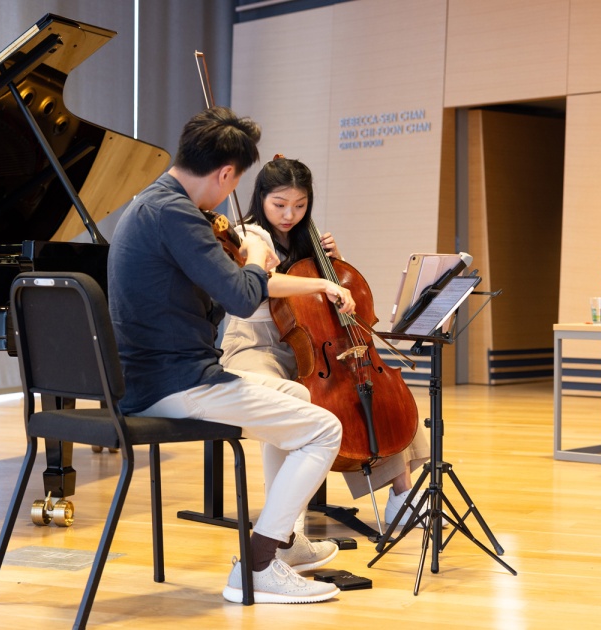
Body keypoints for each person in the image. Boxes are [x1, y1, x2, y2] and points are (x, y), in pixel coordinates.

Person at [107, 108, 352, 604]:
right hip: (175, 383)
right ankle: (257, 564)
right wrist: (256, 259)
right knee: (325, 430)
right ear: (225, 174)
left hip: (155, 376)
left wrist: (286, 276)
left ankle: (285, 540)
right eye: (235, 180)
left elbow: (227, 291)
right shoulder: (177, 215)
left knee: (297, 395)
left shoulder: (151, 204)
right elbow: (242, 297)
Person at [218, 156, 429, 530]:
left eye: (300, 206)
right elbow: (265, 284)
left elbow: (340, 298)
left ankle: (402, 495)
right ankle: (285, 518)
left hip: (312, 346)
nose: (290, 215)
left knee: (378, 394)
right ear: (261, 198)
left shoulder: (306, 239)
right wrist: (322, 282)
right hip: (256, 344)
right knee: (283, 403)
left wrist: (335, 263)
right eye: (280, 205)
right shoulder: (249, 235)